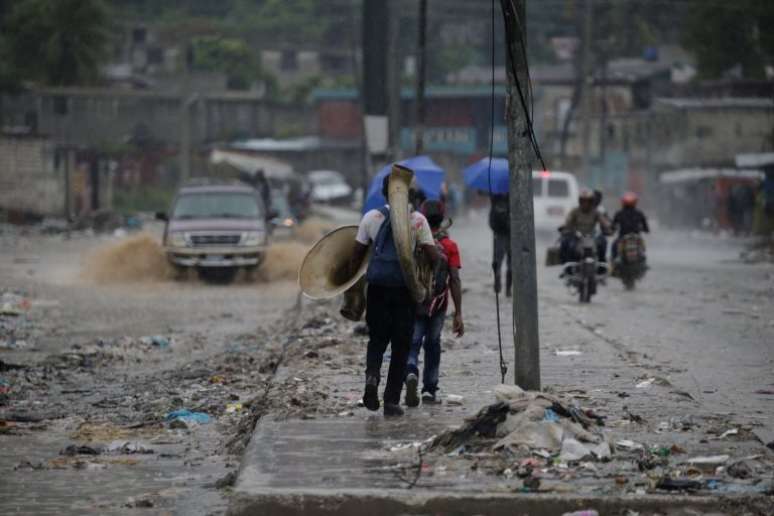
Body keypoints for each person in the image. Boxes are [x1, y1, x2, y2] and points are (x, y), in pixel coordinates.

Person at [349, 175, 440, 417]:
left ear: (383, 193)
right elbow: (434, 256)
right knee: (401, 346)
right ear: (408, 194)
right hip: (405, 290)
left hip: (377, 289)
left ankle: (371, 379)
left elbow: (356, 256)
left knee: (377, 340)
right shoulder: (417, 220)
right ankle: (391, 401)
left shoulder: (371, 217)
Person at [405, 200, 464, 407]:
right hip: (438, 306)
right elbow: (455, 279)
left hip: (415, 302)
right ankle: (429, 389)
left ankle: (411, 371)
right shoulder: (449, 246)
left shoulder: (413, 243)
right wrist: (458, 313)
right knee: (433, 344)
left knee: (412, 342)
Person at [560, 189, 610, 263]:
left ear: (591, 202)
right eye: (583, 201)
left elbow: (603, 221)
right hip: (577, 237)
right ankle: (566, 264)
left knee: (603, 241)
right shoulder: (575, 211)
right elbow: (568, 221)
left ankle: (601, 262)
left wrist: (608, 227)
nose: (585, 203)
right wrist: (564, 227)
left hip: (592, 237)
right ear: (580, 201)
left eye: (588, 201)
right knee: (566, 243)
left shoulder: (595, 212)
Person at [611, 192, 649, 261]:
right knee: (642, 246)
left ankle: (613, 262)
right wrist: (644, 229)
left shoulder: (619, 213)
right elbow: (646, 228)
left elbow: (613, 227)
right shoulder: (639, 213)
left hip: (623, 237)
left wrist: (612, 229)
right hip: (634, 237)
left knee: (614, 246)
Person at [489, 193, 511, 297]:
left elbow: (491, 220)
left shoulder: (495, 196)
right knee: (511, 262)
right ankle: (508, 290)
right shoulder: (514, 195)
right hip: (511, 234)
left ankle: (497, 278)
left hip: (498, 234)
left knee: (497, 259)